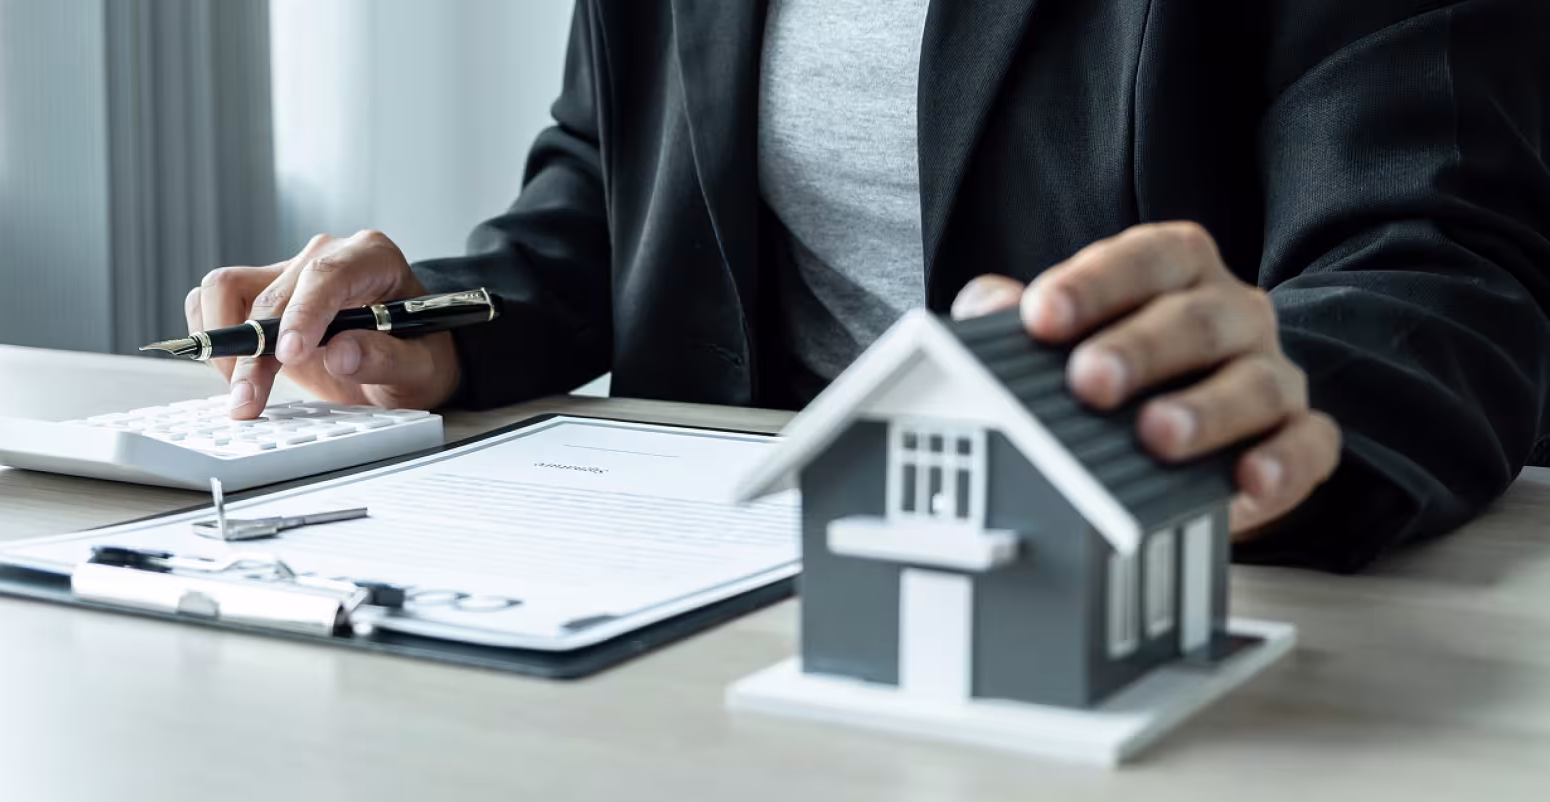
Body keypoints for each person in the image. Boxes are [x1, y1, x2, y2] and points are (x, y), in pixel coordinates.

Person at [186, 0, 1550, 573]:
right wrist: (436, 322)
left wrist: (1262, 405)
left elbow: (1441, 269)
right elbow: (609, 190)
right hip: (713, 572)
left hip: (1148, 580)